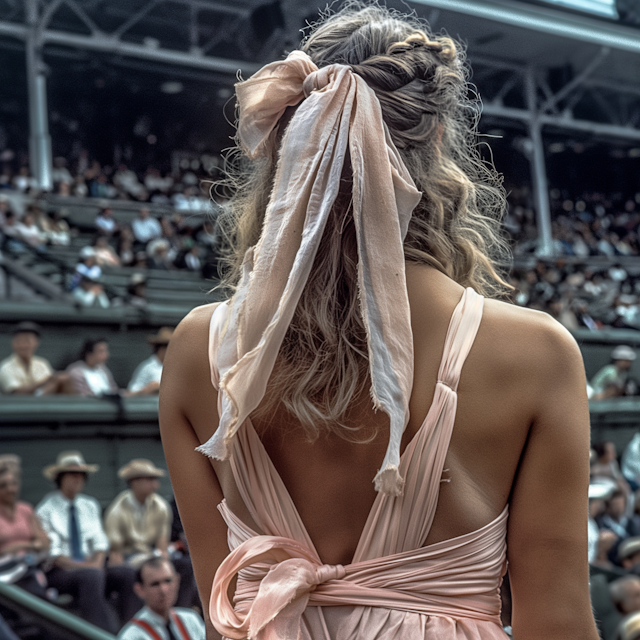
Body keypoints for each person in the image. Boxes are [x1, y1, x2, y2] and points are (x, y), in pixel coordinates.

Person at [159, 6, 598, 640]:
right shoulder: (535, 352)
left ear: (284, 144)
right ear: (440, 145)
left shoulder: (197, 348)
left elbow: (222, 611)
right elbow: (556, 624)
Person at [36, 451, 141, 632]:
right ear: (60, 478)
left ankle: (133, 631)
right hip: (61, 571)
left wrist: (97, 563)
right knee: (91, 577)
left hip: (93, 567)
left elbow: (100, 541)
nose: (78, 479)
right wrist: (88, 568)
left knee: (126, 573)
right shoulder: (46, 509)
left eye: (81, 476)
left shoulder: (89, 505)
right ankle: (100, 633)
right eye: (72, 475)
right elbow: (54, 554)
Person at [104, 459, 198, 608]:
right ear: (134, 482)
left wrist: (159, 563)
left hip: (152, 556)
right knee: (126, 574)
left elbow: (162, 547)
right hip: (127, 561)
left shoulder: (161, 506)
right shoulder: (117, 510)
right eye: (149, 479)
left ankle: (180, 611)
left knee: (185, 565)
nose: (155, 484)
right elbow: (116, 556)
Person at [117, 556, 205, 640]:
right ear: (140, 590)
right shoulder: (132, 636)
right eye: (155, 584)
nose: (164, 590)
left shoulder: (190, 620)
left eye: (168, 581)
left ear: (177, 581)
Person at [0, 457, 49, 599]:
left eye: (14, 484)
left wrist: (19, 546)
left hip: (29, 566)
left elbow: (44, 544)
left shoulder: (26, 510)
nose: (10, 489)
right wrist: (33, 545)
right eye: (3, 485)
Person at [0, 322, 68, 395]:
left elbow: (52, 385)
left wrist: (55, 379)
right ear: (13, 343)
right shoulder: (5, 367)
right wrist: (47, 381)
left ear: (36, 342)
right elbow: (16, 392)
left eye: (27, 341)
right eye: (19, 341)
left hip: (43, 403)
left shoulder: (42, 363)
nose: (23, 345)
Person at [127, 328, 173, 396]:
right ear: (162, 349)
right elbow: (132, 391)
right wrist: (149, 389)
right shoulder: (147, 368)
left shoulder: (172, 368)